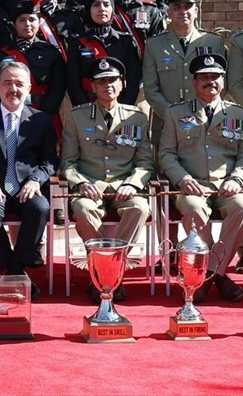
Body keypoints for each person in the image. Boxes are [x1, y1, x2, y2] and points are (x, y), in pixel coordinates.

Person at [158, 54, 243, 303]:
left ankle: (208, 273)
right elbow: (166, 153)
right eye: (204, 77)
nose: (210, 81)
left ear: (223, 80)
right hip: (191, 186)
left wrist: (237, 179)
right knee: (193, 207)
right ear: (194, 82)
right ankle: (218, 275)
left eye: (215, 76)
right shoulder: (175, 113)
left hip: (226, 186)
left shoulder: (239, 114)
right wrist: (183, 179)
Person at [61, 57, 152, 303]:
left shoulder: (137, 118)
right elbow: (68, 162)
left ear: (122, 84)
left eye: (113, 80)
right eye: (101, 81)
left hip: (125, 185)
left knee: (140, 207)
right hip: (90, 186)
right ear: (92, 86)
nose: (108, 85)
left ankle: (105, 272)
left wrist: (133, 183)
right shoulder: (77, 117)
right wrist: (81, 183)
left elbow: (145, 162)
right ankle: (109, 275)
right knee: (82, 208)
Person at [0, 61, 57, 298]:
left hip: (27, 188)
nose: (13, 89)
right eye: (7, 83)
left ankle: (13, 271)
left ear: (28, 89)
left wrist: (36, 180)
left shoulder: (41, 120)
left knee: (40, 207)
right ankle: (16, 272)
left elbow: (50, 161)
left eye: (19, 84)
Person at [142, 0, 227, 131]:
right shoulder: (154, 45)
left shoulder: (213, 42)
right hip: (166, 124)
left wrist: (204, 112)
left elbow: (223, 83)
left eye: (187, 6)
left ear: (196, 11)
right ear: (169, 12)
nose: (183, 12)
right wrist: (173, 115)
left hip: (205, 123)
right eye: (177, 7)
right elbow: (150, 88)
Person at [0, 0, 68, 133]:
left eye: (32, 19)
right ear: (14, 25)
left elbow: (58, 88)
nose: (27, 24)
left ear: (39, 23)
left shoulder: (51, 52)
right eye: (22, 20)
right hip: (9, 115)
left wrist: (42, 114)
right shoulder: (1, 53)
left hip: (45, 114)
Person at [67, 0, 141, 106]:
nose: (102, 9)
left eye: (106, 5)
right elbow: (73, 83)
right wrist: (85, 108)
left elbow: (133, 80)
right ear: (89, 10)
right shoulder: (77, 43)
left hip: (121, 104)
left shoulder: (126, 41)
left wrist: (122, 108)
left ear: (113, 9)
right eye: (96, 5)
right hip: (88, 105)